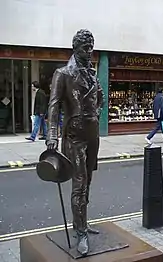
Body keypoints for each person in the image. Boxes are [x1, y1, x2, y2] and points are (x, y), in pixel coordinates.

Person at [46, 29, 104, 256]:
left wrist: (96, 114)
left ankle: (83, 221)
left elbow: (101, 97)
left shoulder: (92, 73)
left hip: (92, 134)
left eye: (91, 48)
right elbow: (54, 105)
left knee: (88, 181)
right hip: (74, 137)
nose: (89, 52)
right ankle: (80, 231)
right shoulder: (63, 73)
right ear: (75, 48)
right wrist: (52, 133)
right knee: (79, 183)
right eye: (85, 48)